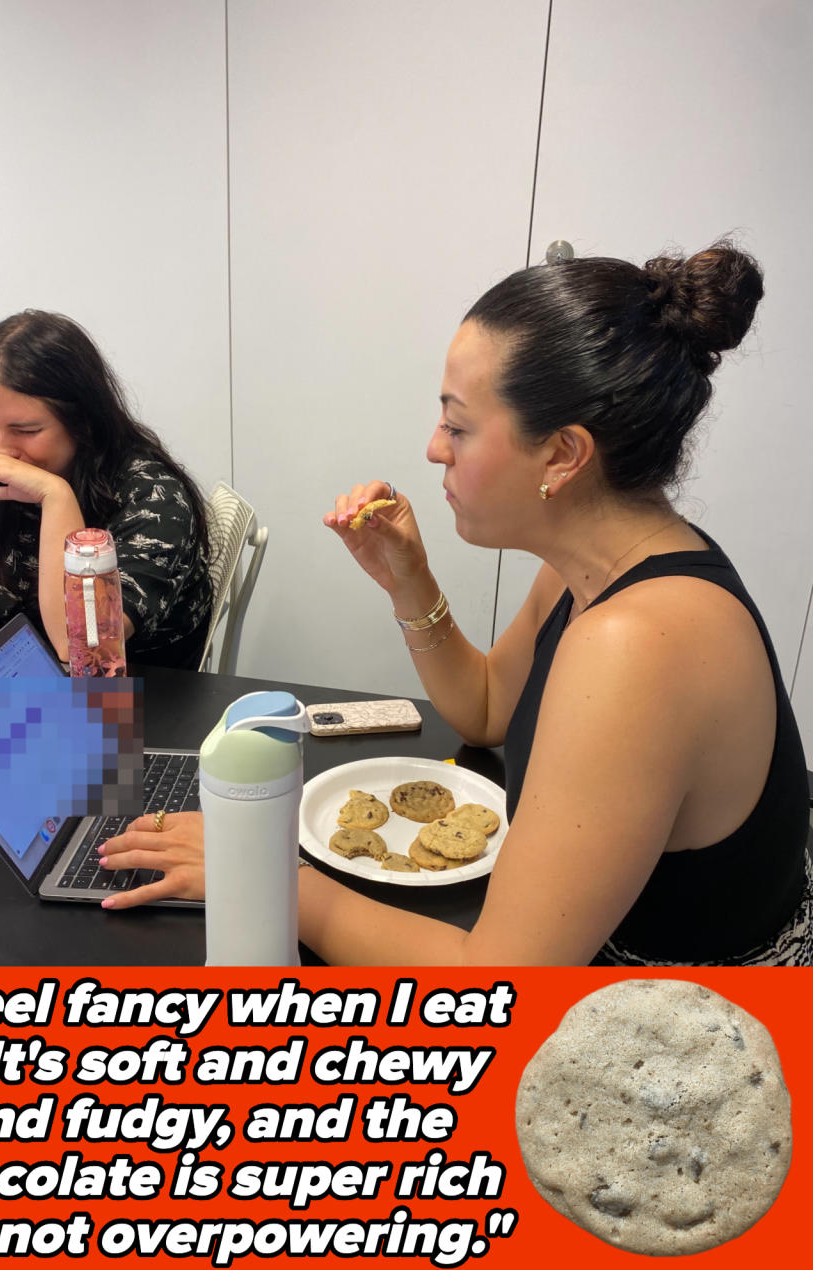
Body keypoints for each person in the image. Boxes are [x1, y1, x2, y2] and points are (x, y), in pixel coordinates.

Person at [97, 242, 811, 965]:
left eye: (459, 425)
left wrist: (264, 871)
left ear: (563, 456)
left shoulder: (640, 642)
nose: (435, 449)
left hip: (689, 1030)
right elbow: (486, 709)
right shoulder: (599, 565)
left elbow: (501, 979)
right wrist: (411, 581)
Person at [0, 310, 212, 668]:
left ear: (84, 424)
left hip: (145, 694)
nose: (1, 451)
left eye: (27, 431)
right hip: (22, 679)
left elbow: (81, 647)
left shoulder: (153, 499)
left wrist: (56, 497)